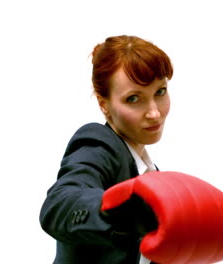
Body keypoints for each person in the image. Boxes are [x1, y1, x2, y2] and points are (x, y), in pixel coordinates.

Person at [39, 35, 173, 264]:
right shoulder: (99, 145)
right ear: (104, 105)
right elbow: (60, 203)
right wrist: (119, 212)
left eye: (160, 92)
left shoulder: (151, 175)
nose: (154, 113)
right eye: (133, 98)